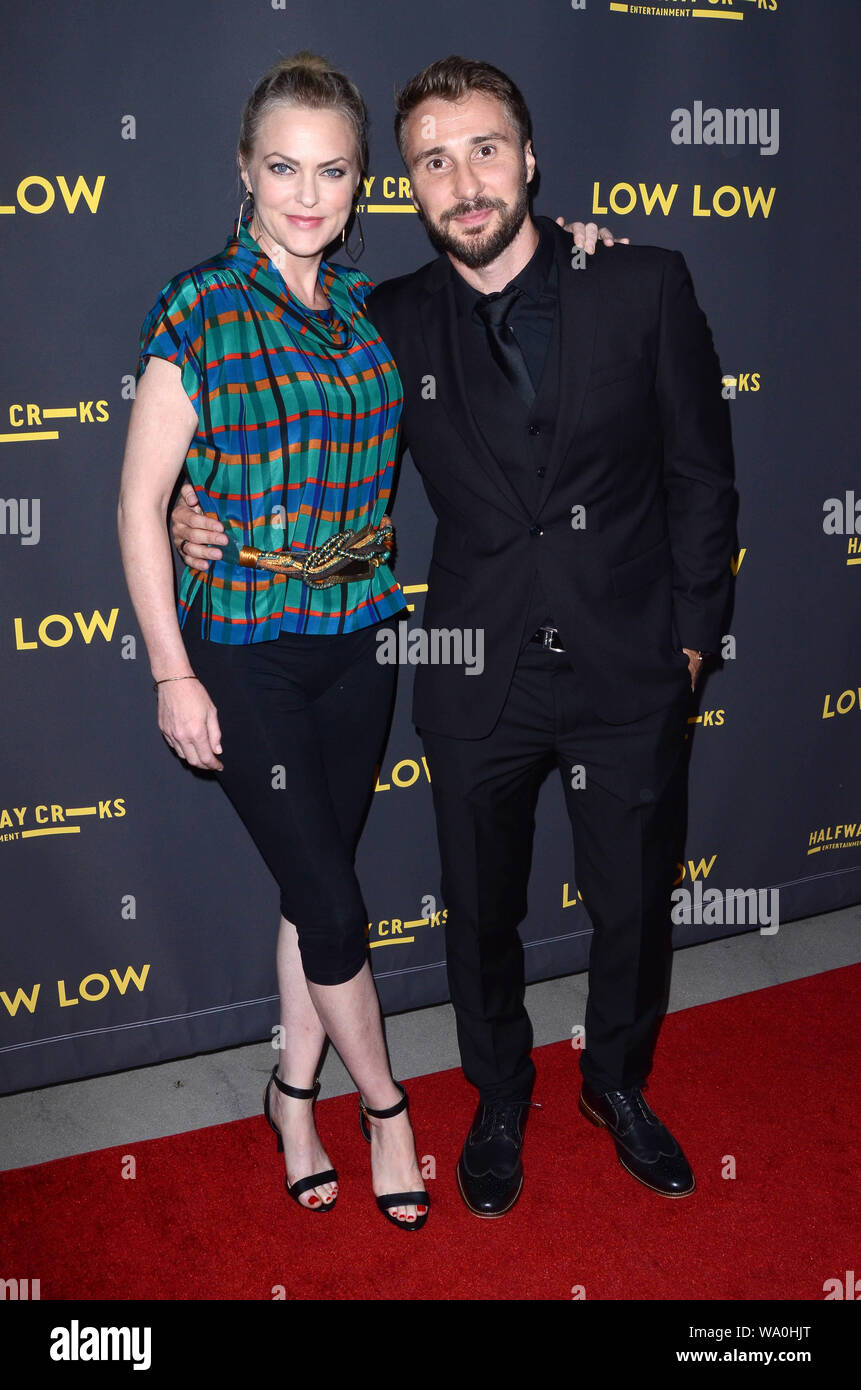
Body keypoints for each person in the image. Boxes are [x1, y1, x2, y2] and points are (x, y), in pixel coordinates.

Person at [172, 56, 725, 1223]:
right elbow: (273, 425)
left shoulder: (643, 283)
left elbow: (701, 480)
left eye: (483, 150)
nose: (463, 180)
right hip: (473, 671)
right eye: (433, 160)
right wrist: (189, 504)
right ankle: (499, 1093)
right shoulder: (382, 319)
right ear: (406, 189)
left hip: (632, 664)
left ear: (529, 160)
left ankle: (615, 1084)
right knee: (479, 909)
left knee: (632, 899)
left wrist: (690, 647)